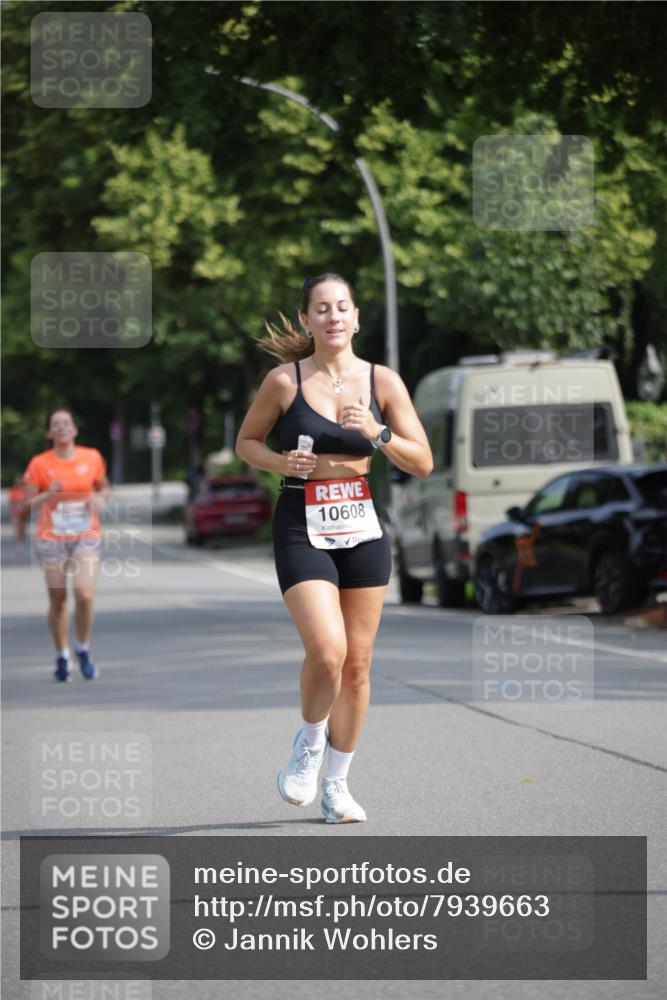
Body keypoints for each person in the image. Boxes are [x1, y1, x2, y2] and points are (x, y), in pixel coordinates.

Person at [236, 274, 433, 823]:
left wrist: (377, 431)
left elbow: (422, 461)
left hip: (361, 519)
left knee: (359, 665)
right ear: (306, 320)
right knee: (328, 652)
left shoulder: (382, 381)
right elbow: (246, 442)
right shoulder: (284, 381)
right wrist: (281, 462)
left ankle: (337, 788)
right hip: (302, 518)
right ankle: (308, 743)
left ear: (357, 317)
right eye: (321, 309)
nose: (333, 317)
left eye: (342, 307)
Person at [22, 408, 110, 682]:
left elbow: (103, 487)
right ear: (49, 432)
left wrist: (100, 499)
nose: (62, 428)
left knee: (84, 594)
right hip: (51, 537)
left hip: (85, 533)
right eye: (56, 424)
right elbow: (27, 505)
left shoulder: (92, 456)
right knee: (58, 599)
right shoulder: (39, 463)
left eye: (66, 423)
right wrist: (49, 493)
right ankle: (62, 654)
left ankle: (83, 649)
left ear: (74, 429)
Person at [9, 474, 28, 543]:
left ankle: (22, 536)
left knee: (23, 523)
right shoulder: (13, 489)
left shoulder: (24, 489)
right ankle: (17, 537)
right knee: (16, 523)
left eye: (20, 480)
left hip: (23, 508)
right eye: (17, 481)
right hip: (15, 509)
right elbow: (11, 500)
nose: (18, 482)